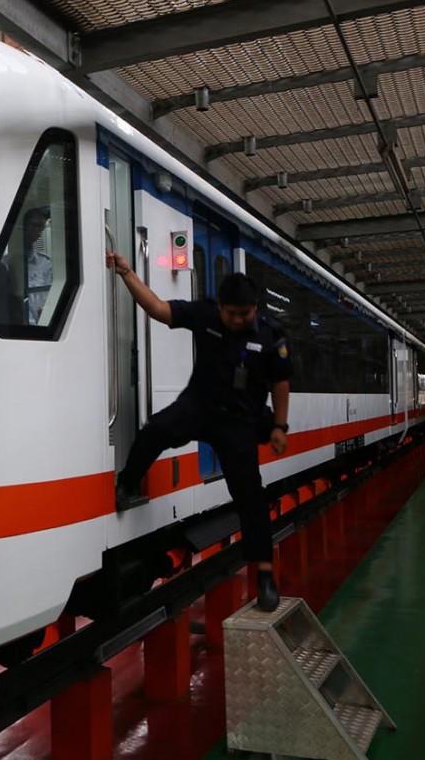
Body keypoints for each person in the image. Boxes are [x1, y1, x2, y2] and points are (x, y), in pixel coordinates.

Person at [105, 253, 292, 612]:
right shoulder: (204, 314)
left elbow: (281, 382)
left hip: (240, 421)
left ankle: (265, 577)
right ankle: (128, 481)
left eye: (245, 314)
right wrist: (127, 273)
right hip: (200, 406)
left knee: (251, 499)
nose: (238, 320)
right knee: (156, 429)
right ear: (220, 305)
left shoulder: (271, 334)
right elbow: (159, 310)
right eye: (231, 313)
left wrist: (280, 426)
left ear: (255, 308)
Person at [23, 207, 52, 325]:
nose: (36, 231)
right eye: (33, 225)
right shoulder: (5, 263)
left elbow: (48, 300)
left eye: (40, 228)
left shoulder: (44, 263)